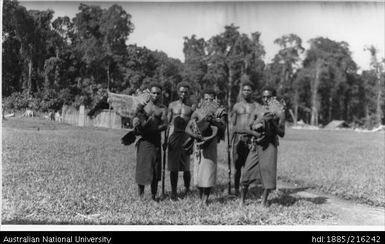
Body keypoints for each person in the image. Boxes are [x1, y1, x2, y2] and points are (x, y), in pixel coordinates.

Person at [239, 87, 285, 207]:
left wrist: (273, 123)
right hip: (257, 144)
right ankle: (242, 201)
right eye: (263, 97)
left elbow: (282, 133)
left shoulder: (279, 111)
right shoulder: (257, 110)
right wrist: (257, 133)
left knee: (268, 173)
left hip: (270, 145)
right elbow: (247, 128)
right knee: (247, 173)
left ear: (273, 98)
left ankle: (264, 202)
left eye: (268, 97)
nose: (265, 99)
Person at [185, 89, 221, 206]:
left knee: (209, 171)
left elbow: (223, 127)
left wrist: (215, 121)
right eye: (206, 99)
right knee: (199, 172)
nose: (208, 101)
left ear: (215, 100)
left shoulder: (218, 112)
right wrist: (196, 135)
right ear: (202, 100)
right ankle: (200, 197)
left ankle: (205, 199)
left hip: (211, 144)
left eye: (211, 99)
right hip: (198, 145)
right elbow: (187, 128)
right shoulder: (197, 112)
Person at [133, 83, 168, 201]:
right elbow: (136, 120)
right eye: (154, 93)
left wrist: (154, 128)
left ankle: (153, 196)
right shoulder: (142, 106)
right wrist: (139, 126)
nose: (156, 95)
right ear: (150, 93)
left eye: (158, 93)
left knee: (155, 169)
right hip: (144, 141)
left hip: (155, 141)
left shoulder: (163, 108)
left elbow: (165, 125)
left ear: (161, 94)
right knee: (142, 168)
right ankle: (140, 195)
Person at [166, 82, 196, 200]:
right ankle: (173, 192)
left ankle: (187, 189)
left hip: (186, 136)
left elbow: (194, 124)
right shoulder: (172, 105)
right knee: (174, 167)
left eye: (186, 92)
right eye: (181, 91)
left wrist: (192, 140)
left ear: (189, 93)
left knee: (186, 167)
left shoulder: (192, 107)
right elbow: (168, 124)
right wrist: (165, 139)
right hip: (173, 137)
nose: (183, 94)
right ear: (178, 92)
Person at [230, 82, 258, 195]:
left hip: (250, 139)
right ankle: (236, 189)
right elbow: (232, 125)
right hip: (238, 138)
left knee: (248, 167)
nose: (246, 92)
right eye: (244, 90)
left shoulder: (256, 106)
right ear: (242, 92)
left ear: (252, 92)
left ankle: (245, 190)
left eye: (249, 90)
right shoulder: (236, 106)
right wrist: (229, 143)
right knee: (237, 167)